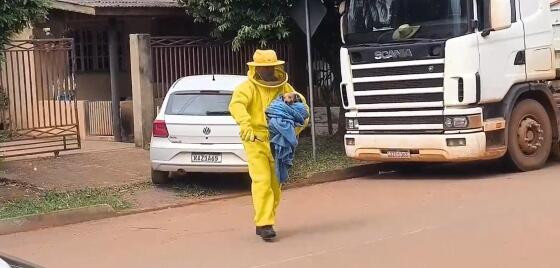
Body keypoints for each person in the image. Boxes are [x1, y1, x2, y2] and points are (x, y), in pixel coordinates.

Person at [229, 49, 308, 242]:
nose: (268, 71)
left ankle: (265, 219)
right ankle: (265, 224)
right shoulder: (247, 87)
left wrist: (293, 131)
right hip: (255, 140)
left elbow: (302, 111)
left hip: (279, 142)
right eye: (264, 68)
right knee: (262, 181)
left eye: (271, 67)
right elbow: (237, 104)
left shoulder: (285, 88)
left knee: (276, 183)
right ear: (256, 68)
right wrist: (245, 124)